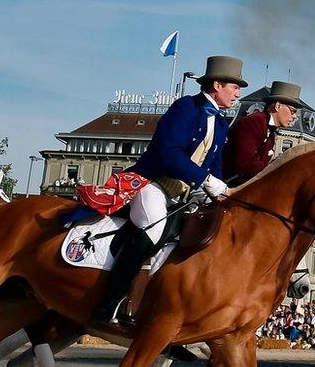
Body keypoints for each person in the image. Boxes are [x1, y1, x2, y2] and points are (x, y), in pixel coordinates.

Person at [92, 55, 245, 324]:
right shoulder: (185, 107)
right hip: (152, 183)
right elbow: (168, 154)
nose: (238, 93)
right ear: (217, 85)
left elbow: (216, 165)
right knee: (153, 227)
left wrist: (219, 193)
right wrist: (205, 180)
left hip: (184, 194)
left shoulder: (221, 123)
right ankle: (110, 302)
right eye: (234, 87)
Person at [223, 81, 304, 186]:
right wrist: (277, 175)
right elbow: (245, 162)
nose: (294, 117)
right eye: (293, 111)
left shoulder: (270, 130)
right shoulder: (254, 122)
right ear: (278, 106)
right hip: (226, 185)